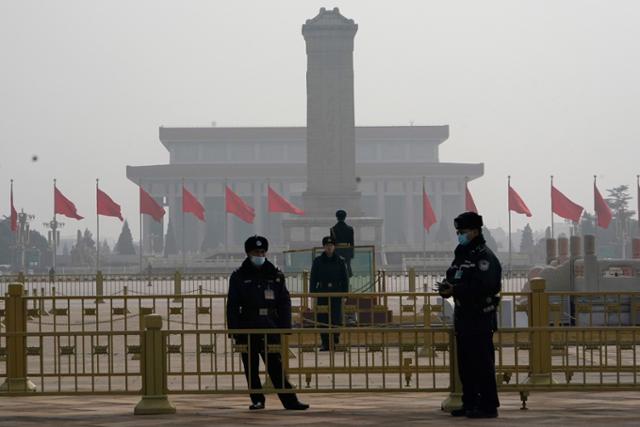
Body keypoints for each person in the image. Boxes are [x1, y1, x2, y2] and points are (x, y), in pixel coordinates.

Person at [226, 235, 309, 411]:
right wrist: (234, 331)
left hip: (270, 325)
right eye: (256, 252)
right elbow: (232, 305)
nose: (260, 254)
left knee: (276, 365)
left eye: (263, 251)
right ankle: (257, 400)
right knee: (251, 366)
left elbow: (284, 302)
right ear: (248, 253)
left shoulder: (274, 274)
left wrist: (285, 327)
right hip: (248, 326)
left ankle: (290, 401)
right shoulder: (239, 276)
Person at [438, 212, 501, 419]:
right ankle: (470, 402)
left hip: (479, 316)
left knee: (482, 363)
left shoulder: (484, 256)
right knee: (466, 365)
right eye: (458, 232)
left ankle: (488, 405)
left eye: (463, 232)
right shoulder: (462, 253)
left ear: (475, 231)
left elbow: (485, 285)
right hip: (464, 317)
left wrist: (456, 289)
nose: (460, 235)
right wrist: (447, 287)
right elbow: (452, 274)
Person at [310, 236, 350, 351]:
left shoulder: (340, 261)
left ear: (334, 247)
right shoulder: (318, 261)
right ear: (324, 247)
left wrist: (344, 295)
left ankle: (335, 341)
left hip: (336, 293)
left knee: (336, 318)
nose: (329, 247)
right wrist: (313, 294)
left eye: (331, 245)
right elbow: (313, 279)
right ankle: (325, 343)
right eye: (327, 245)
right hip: (322, 293)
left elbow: (345, 279)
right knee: (323, 318)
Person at [330, 209, 354, 277]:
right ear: (345, 217)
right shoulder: (350, 229)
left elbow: (332, 243)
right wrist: (351, 254)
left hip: (337, 252)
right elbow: (351, 243)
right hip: (347, 251)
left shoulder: (333, 229)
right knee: (348, 268)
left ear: (337, 218)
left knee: (337, 270)